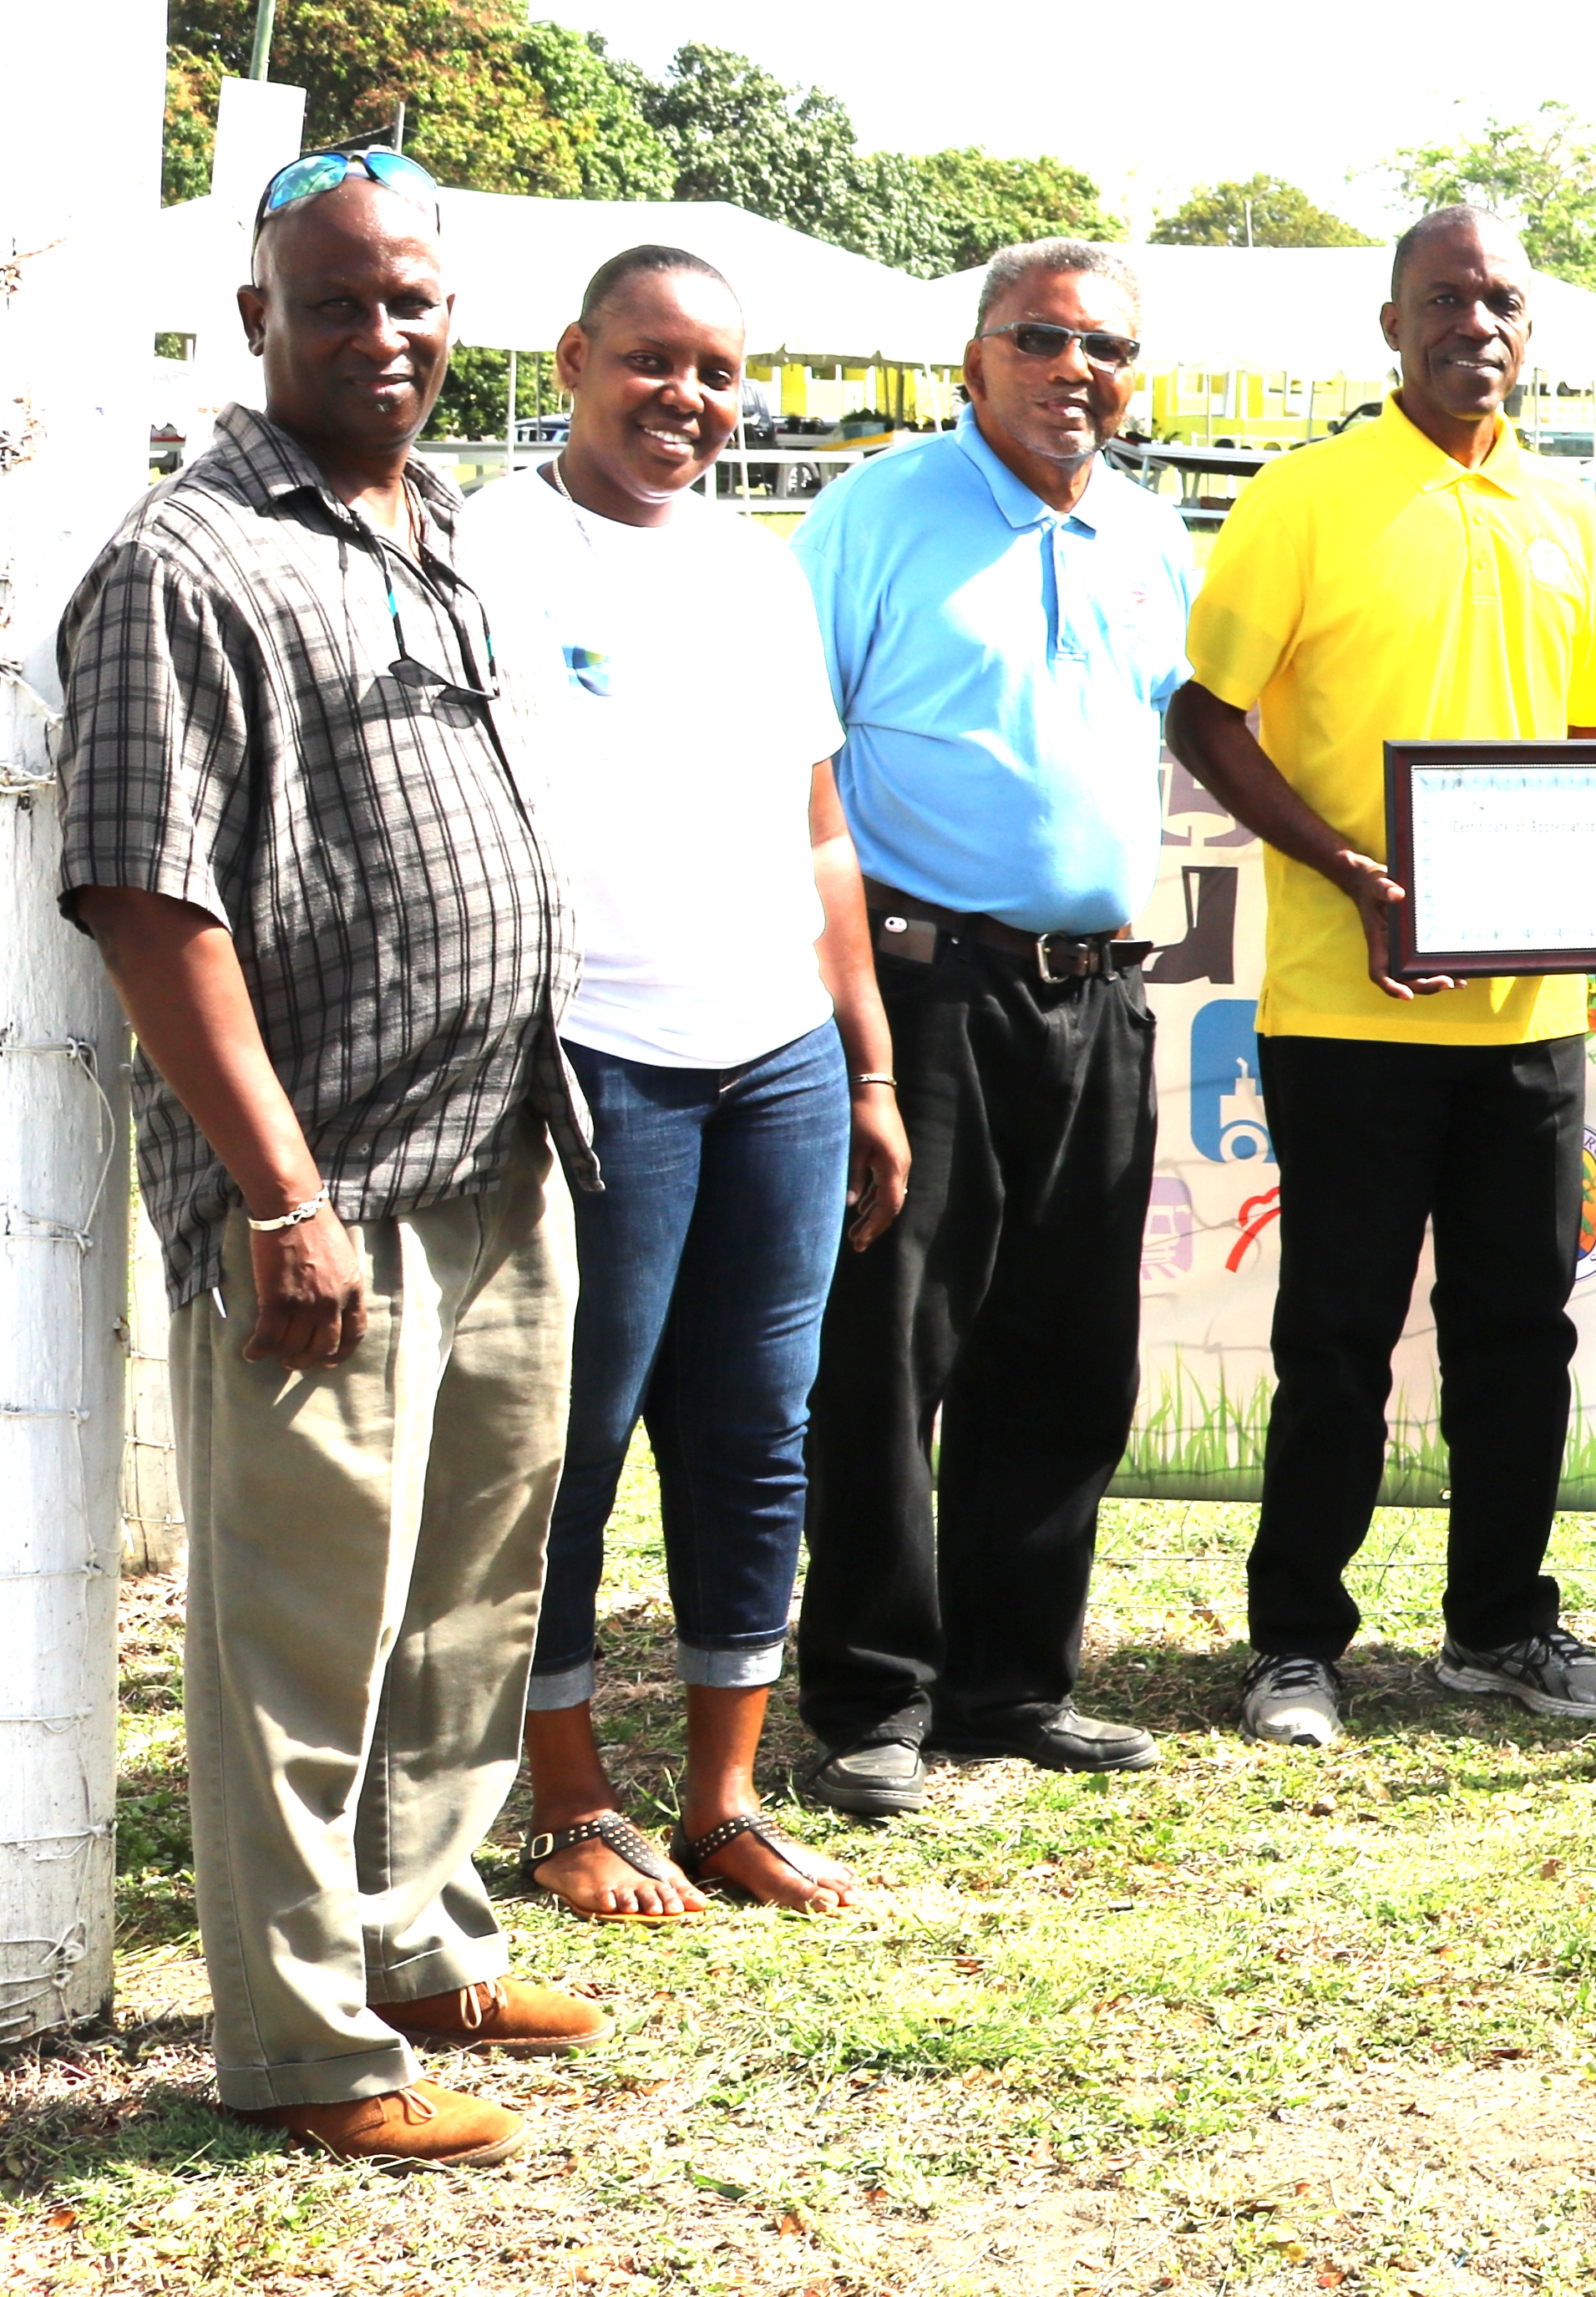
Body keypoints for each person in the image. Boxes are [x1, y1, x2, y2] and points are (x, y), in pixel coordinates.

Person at [55, 147, 608, 2168]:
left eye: (416, 301)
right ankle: (301, 2047)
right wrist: (284, 1197)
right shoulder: (181, 565)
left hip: (499, 1153)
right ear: (259, 321)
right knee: (299, 1637)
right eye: (342, 300)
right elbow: (146, 905)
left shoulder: (427, 521)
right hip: (336, 1199)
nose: (387, 335)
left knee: (469, 1596)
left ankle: (425, 1940)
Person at [456, 246, 908, 1916]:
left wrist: (863, 1062)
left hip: (771, 1059)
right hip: (590, 1059)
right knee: (565, 1439)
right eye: (653, 362)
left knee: (754, 1432)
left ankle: (722, 1797)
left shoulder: (754, 569)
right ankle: (568, 1799)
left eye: (719, 373)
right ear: (574, 357)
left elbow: (818, 831)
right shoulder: (487, 547)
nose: (688, 402)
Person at [1166, 205, 1596, 1745]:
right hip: (1341, 1003)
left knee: (1522, 1330)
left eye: (1503, 301)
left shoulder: (1567, 512)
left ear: (1531, 327)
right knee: (1339, 1333)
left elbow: (1588, 745)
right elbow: (1203, 717)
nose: (1477, 326)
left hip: (1526, 1011)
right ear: (1390, 325)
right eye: (1445, 299)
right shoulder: (1304, 496)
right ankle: (1296, 1641)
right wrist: (1357, 878)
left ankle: (1500, 1625)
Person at [789, 241, 1198, 1815]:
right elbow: (796, 762)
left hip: (1094, 993)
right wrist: (852, 1021)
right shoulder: (871, 515)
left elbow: (1206, 726)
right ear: (973, 357)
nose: (1076, 371)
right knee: (890, 1348)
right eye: (1042, 338)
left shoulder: (1151, 535)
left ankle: (1015, 1682)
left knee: (1066, 1346)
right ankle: (874, 1695)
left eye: (1108, 349)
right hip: (920, 988)